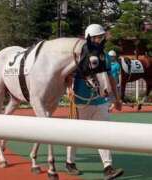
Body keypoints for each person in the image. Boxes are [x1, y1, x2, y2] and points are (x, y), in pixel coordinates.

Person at [66, 24, 124, 180]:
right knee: (75, 134)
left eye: (101, 37)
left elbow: (110, 77)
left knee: (103, 133)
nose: (100, 39)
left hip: (100, 101)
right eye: (97, 37)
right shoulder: (77, 53)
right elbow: (66, 74)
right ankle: (70, 162)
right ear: (89, 38)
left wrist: (116, 98)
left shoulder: (103, 55)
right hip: (80, 100)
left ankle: (108, 167)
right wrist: (68, 89)